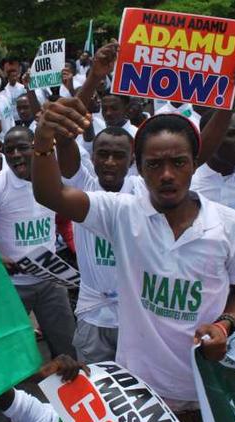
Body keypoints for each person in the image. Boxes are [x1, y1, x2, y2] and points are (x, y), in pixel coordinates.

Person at [32, 100, 235, 422]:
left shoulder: (229, 224)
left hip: (208, 385)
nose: (167, 175)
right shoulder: (121, 213)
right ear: (138, 166)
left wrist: (224, 325)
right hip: (138, 392)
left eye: (178, 162)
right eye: (153, 165)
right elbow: (51, 194)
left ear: (195, 163)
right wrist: (43, 139)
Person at [0, 125, 77, 359]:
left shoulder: (53, 176)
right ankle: (16, 396)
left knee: (67, 346)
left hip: (50, 281)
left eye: (22, 148)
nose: (15, 155)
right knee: (9, 354)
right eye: (9, 150)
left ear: (36, 148)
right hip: (12, 287)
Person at [55, 126, 145, 363]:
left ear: (132, 159)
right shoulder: (82, 185)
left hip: (137, 317)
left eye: (119, 156)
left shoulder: (144, 190)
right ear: (91, 157)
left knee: (137, 391)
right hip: (93, 314)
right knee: (96, 389)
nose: (110, 162)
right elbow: (64, 142)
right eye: (103, 154)